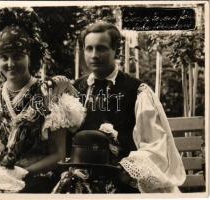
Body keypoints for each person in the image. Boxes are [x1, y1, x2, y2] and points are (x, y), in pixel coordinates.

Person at [0, 25, 85, 193]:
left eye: (18, 56)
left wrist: (20, 173)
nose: (10, 64)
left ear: (30, 57)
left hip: (37, 180)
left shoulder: (51, 96)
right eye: (4, 57)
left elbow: (58, 154)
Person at [71, 21, 186, 193]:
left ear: (115, 51)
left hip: (122, 182)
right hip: (79, 181)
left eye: (101, 48)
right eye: (89, 48)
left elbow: (155, 145)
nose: (94, 55)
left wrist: (129, 169)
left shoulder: (137, 91)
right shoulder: (75, 89)